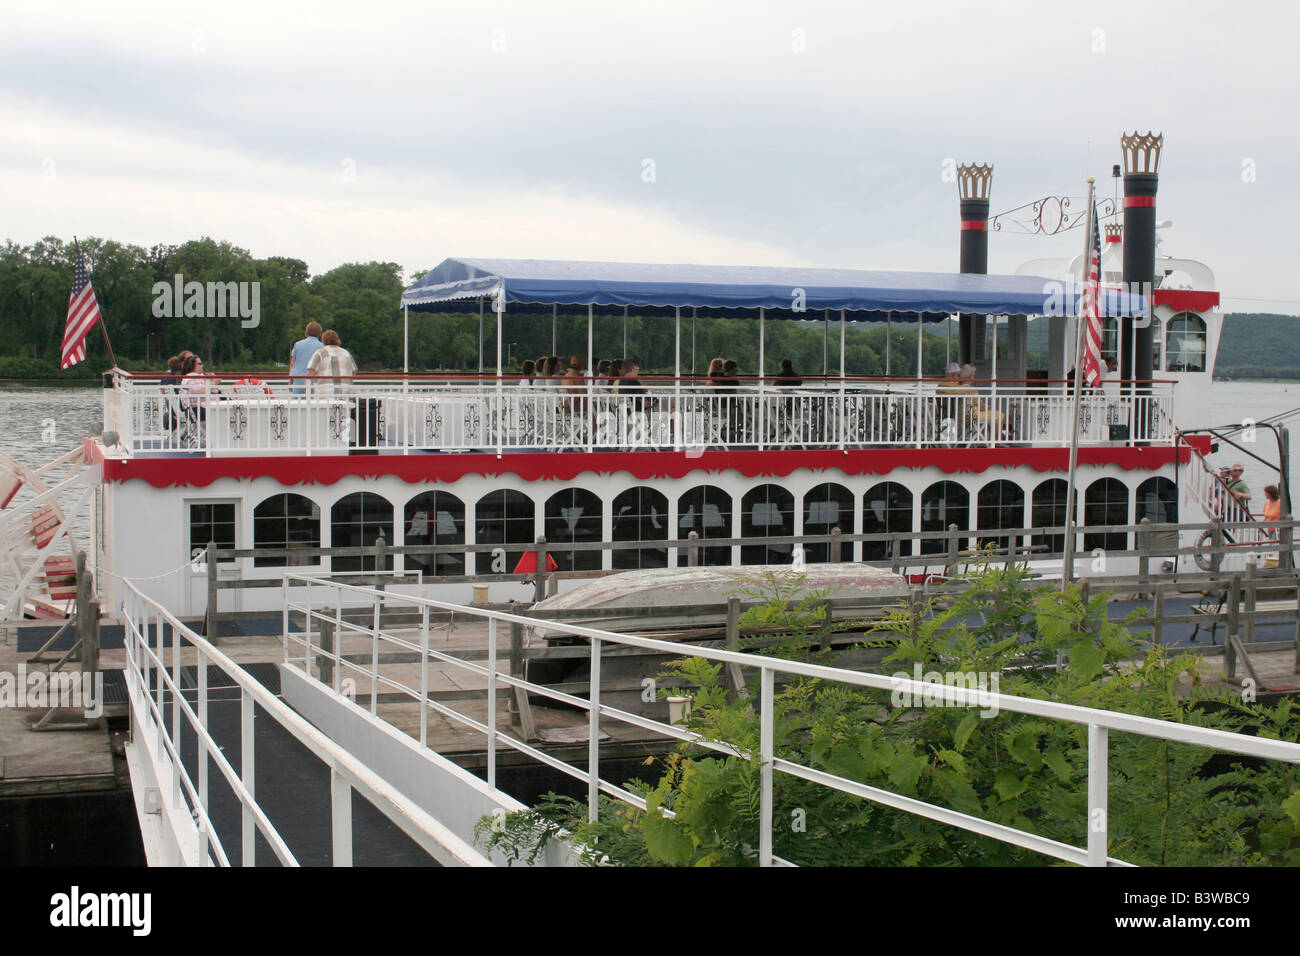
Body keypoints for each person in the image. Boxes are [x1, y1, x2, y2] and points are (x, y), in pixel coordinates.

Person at [290, 322, 324, 395]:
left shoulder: (298, 344)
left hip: (298, 378)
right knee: (313, 404)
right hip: (314, 379)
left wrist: (291, 379)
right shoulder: (322, 346)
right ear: (320, 333)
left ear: (306, 332)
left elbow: (292, 363)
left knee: (297, 404)